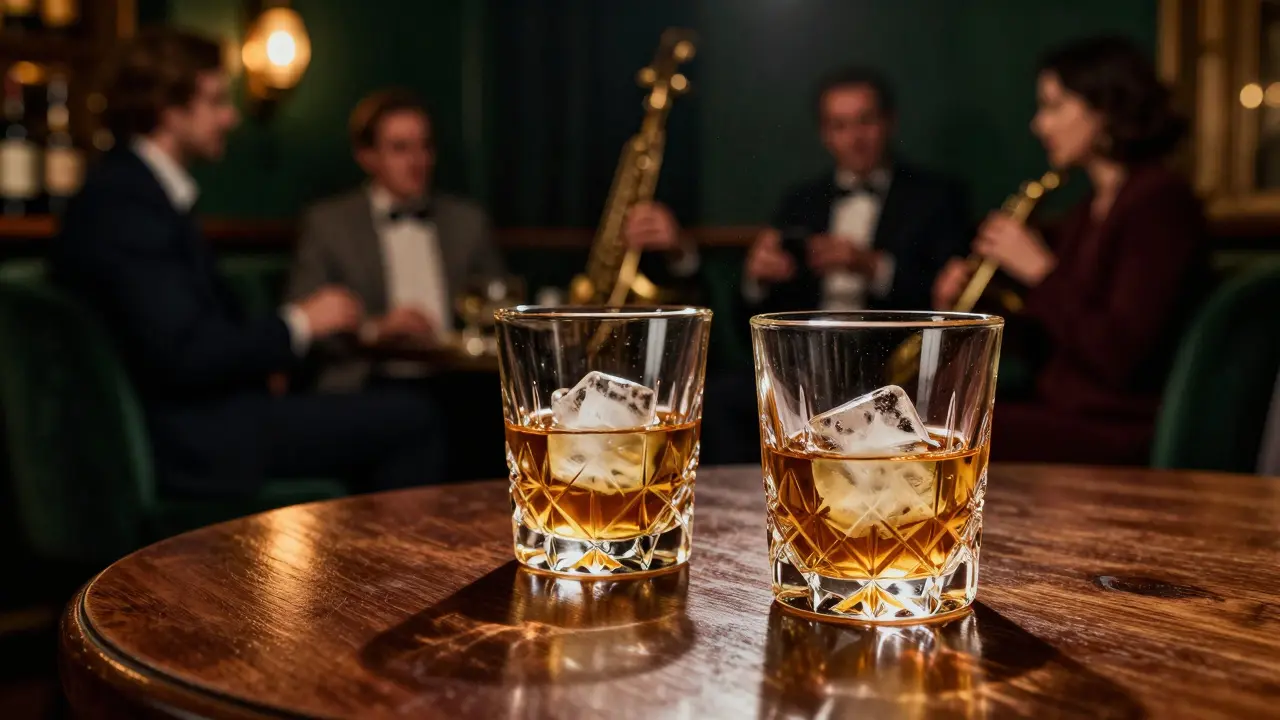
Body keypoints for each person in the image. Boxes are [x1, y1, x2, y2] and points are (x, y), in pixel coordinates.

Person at [51, 29, 444, 496]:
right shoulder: (124, 202)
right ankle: (406, 569)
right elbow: (185, 354)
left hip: (209, 415)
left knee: (391, 410)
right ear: (169, 110)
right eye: (216, 101)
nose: (231, 117)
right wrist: (300, 322)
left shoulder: (133, 192)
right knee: (411, 417)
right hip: (192, 439)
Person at [933, 36, 1208, 465]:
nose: (1039, 125)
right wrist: (971, 303)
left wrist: (1039, 270)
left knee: (946, 429)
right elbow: (1056, 345)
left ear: (1106, 108)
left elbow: (1119, 357)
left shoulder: (1160, 202)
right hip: (1067, 409)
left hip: (1120, 425)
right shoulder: (1087, 211)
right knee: (940, 414)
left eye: (1055, 106)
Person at [701, 66, 971, 465]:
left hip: (892, 370)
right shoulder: (801, 200)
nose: (855, 138)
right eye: (840, 125)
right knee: (721, 399)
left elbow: (952, 300)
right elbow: (756, 316)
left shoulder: (936, 197)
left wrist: (872, 266)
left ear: (889, 122)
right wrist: (757, 279)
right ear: (825, 134)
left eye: (865, 121)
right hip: (808, 368)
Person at [288, 89, 504, 392]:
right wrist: (376, 329)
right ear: (367, 157)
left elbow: (498, 308)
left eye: (425, 146)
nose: (418, 161)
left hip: (456, 379)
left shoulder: (467, 221)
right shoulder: (329, 224)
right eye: (400, 148)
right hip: (368, 382)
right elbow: (304, 324)